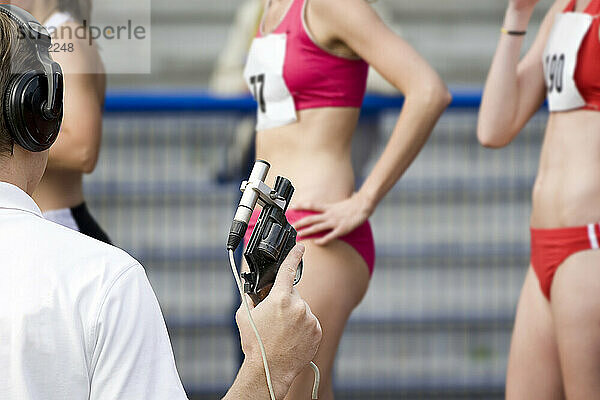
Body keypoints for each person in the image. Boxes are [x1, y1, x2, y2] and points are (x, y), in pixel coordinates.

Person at [0, 6, 321, 400]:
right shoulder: (106, 283)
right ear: (38, 117)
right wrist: (267, 369)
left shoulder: (69, 37)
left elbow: (82, 143)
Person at [242, 0, 451, 398]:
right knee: (294, 390)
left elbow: (429, 91)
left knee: (291, 389)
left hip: (314, 227)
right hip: (266, 228)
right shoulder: (270, 7)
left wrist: (365, 198)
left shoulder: (330, 4)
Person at [478, 0, 600, 398]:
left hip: (590, 245)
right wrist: (517, 15)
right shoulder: (565, 7)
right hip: (546, 247)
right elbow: (494, 128)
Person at [8, 0, 110, 243]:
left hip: (60, 224)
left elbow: (82, 148)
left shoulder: (66, 39)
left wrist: (9, 131)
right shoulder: (32, 38)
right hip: (40, 225)